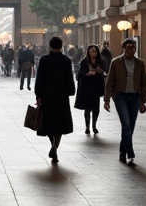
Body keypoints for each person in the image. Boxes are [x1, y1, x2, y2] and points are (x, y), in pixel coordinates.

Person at [103, 38, 146, 167]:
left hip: (135, 98)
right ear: (123, 48)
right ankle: (130, 152)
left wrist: (143, 100)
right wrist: (107, 99)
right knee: (126, 124)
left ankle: (122, 151)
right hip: (120, 97)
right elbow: (110, 82)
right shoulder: (116, 62)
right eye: (128, 47)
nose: (131, 50)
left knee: (131, 126)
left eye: (133, 47)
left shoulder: (140, 63)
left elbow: (144, 82)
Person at [34, 35, 75, 164]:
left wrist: (38, 95)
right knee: (60, 123)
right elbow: (70, 78)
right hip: (61, 95)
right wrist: (71, 91)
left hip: (47, 95)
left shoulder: (44, 60)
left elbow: (39, 79)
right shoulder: (66, 60)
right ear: (61, 46)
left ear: (50, 46)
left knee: (48, 122)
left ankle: (52, 143)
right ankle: (55, 146)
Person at [74, 43, 107, 134]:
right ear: (88, 52)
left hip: (96, 88)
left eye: (95, 51)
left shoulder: (101, 61)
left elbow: (104, 71)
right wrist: (87, 73)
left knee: (96, 109)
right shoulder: (84, 62)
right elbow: (79, 75)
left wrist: (97, 70)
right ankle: (87, 126)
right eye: (91, 51)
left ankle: (94, 125)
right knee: (87, 108)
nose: (93, 53)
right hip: (87, 88)